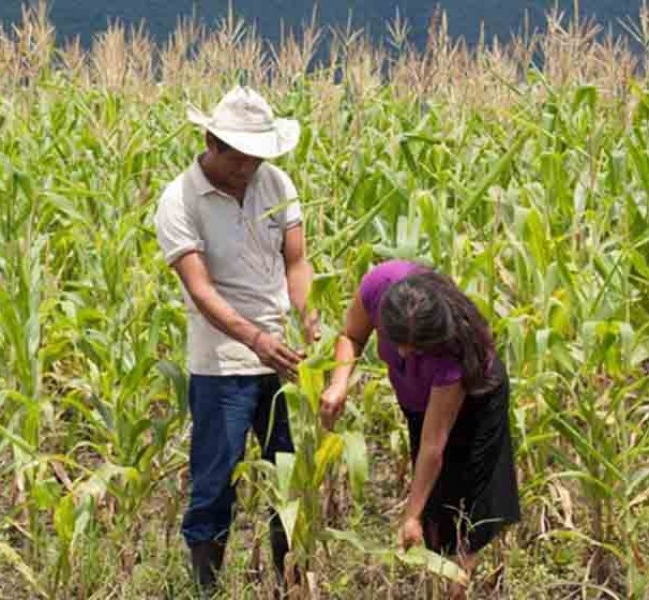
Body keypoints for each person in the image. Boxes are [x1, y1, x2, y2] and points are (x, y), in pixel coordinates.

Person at [154, 86, 319, 594]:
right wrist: (254, 340)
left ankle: (287, 585)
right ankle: (206, 589)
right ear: (211, 141)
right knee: (214, 484)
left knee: (288, 482)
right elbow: (201, 290)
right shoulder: (179, 200)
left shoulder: (276, 182)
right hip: (221, 365)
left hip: (283, 362)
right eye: (240, 158)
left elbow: (295, 261)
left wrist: (307, 314)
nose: (249, 168)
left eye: (257, 157)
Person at [320, 259, 520, 597]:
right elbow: (352, 335)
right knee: (436, 505)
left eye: (415, 349)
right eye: (397, 342)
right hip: (419, 404)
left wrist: (409, 515)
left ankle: (455, 585)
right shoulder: (380, 284)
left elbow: (433, 447)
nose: (401, 353)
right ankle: (440, 574)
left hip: (476, 401)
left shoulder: (454, 349)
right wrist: (339, 382)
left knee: (469, 503)